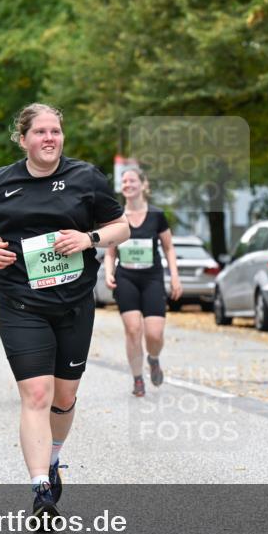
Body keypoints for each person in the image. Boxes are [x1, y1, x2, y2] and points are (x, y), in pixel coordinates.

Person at [0, 103, 129, 520]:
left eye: (55, 130)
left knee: (64, 395)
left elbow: (122, 227)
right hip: (21, 301)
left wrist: (88, 237)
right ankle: (41, 489)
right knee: (36, 393)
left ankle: (53, 459)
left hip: (74, 304)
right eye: (39, 131)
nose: (49, 138)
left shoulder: (85, 177)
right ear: (23, 139)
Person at [104, 167, 182, 397]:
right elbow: (110, 251)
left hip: (152, 278)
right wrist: (109, 272)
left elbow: (168, 247)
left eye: (132, 180)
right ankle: (138, 379)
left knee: (154, 335)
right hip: (126, 277)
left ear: (143, 184)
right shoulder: (117, 217)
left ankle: (154, 358)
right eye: (124, 181)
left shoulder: (157, 215)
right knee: (133, 330)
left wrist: (175, 277)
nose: (127, 184)